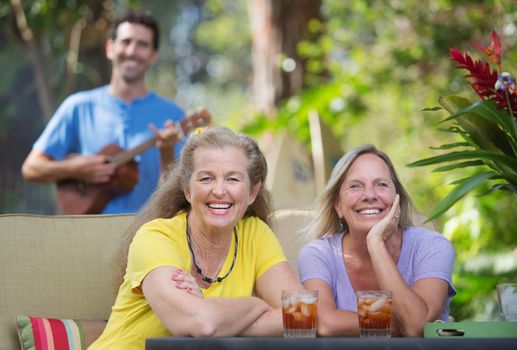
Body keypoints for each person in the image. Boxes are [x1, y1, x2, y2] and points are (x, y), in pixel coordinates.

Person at [89, 126, 303, 349]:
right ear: (187, 190)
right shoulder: (156, 238)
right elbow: (200, 324)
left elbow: (302, 314)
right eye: (206, 178)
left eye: (232, 179)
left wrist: (216, 315)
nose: (219, 190)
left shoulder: (254, 233)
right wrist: (257, 305)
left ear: (252, 192)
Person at [21, 9, 204, 214]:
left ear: (153, 56)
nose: (132, 51)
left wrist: (166, 151)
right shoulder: (78, 107)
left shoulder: (173, 116)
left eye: (142, 44)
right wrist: (76, 169)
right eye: (126, 42)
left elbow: (177, 195)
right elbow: (31, 168)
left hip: (148, 234)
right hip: (87, 232)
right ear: (110, 48)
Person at [297, 144, 456, 337]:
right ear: (338, 205)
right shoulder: (318, 254)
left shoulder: (433, 247)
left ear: (397, 198)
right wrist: (400, 322)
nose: (370, 195)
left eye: (381, 184)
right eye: (355, 186)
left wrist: (376, 244)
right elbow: (326, 324)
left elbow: (415, 326)